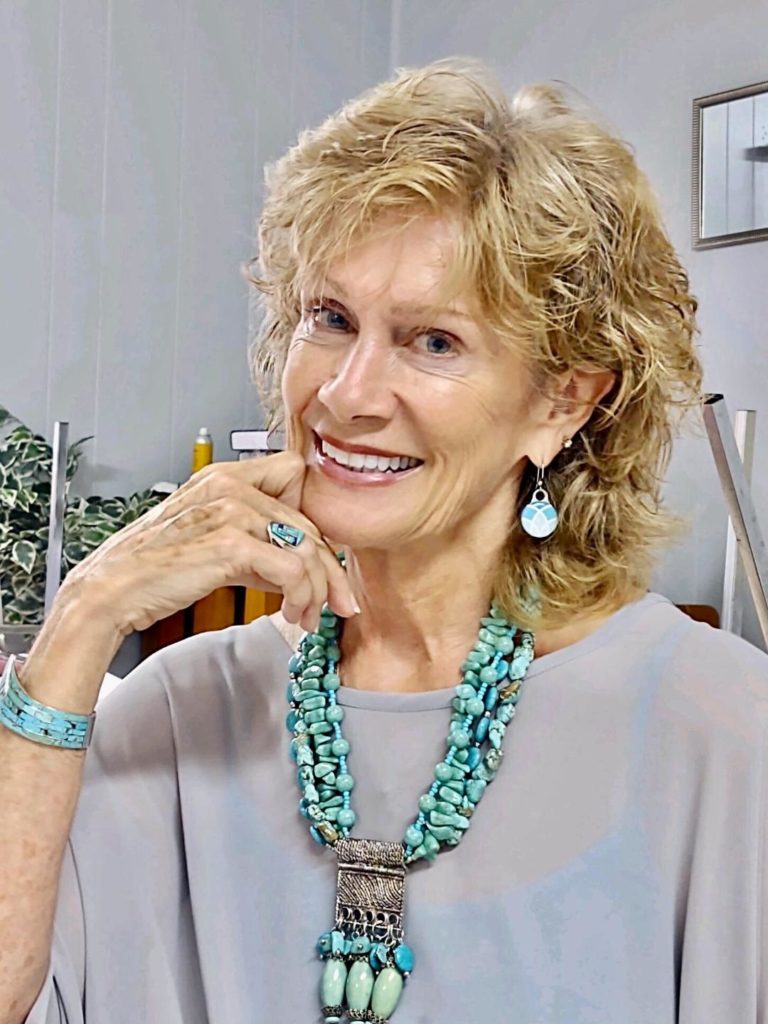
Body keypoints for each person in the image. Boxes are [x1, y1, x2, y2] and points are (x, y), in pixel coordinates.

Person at [1, 55, 766, 1024]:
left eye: (433, 341)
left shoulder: (722, 729)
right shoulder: (176, 713)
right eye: (329, 318)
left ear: (562, 401)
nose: (347, 393)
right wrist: (81, 619)